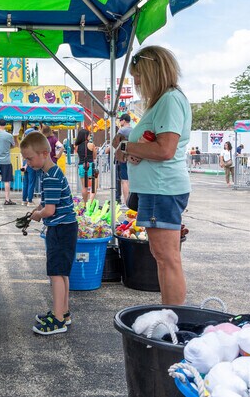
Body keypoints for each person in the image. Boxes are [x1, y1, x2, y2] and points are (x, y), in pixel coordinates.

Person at [114, 45, 191, 305]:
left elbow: (166, 149)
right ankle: (169, 313)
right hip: (157, 190)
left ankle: (174, 318)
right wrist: (138, 151)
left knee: (166, 257)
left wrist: (127, 147)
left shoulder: (169, 99)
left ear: (153, 72)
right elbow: (156, 146)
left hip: (162, 189)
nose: (136, 82)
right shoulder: (163, 100)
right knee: (162, 256)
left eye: (139, 75)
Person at [20, 132, 77, 335]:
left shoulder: (50, 176)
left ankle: (58, 319)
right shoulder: (50, 173)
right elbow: (48, 202)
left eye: (29, 158)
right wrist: (40, 206)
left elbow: (50, 211)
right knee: (62, 272)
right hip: (65, 227)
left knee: (56, 274)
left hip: (60, 228)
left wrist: (37, 214)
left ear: (44, 153)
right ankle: (63, 311)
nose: (27, 162)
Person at [0, 119, 18, 205]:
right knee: (6, 181)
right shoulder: (9, 136)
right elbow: (13, 145)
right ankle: (7, 199)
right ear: (5, 125)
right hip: (6, 161)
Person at [111, 113, 133, 206]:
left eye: (120, 120)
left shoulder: (121, 131)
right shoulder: (134, 130)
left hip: (123, 158)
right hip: (133, 157)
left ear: (123, 121)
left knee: (124, 180)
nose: (120, 122)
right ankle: (131, 202)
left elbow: (114, 143)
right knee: (131, 180)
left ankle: (126, 202)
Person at [74, 128, 97, 205]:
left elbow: (77, 155)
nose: (90, 136)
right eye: (89, 135)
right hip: (90, 166)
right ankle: (89, 204)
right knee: (93, 186)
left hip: (81, 166)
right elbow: (94, 156)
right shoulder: (91, 144)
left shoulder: (77, 146)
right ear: (86, 136)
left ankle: (85, 202)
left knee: (84, 186)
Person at [21, 127, 38, 206]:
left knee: (25, 183)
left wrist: (23, 165)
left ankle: (24, 200)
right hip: (30, 164)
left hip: (24, 164)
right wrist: (27, 164)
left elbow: (22, 156)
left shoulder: (23, 144)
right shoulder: (32, 144)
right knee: (31, 183)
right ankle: (30, 201)